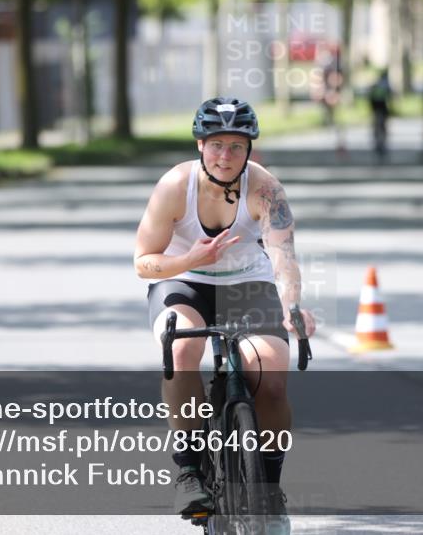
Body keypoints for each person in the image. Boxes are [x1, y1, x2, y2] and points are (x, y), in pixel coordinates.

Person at [134, 97, 316, 529]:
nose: (226, 156)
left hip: (247, 286)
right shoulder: (175, 186)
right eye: (217, 144)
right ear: (200, 145)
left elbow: (283, 258)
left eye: (236, 146)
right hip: (183, 281)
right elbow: (144, 261)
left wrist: (291, 306)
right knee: (181, 351)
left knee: (271, 375)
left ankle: (268, 489)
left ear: (250, 149)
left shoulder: (266, 189)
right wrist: (189, 258)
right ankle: (189, 468)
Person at [366, 69, 392, 161]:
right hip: (381, 109)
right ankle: (381, 142)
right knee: (382, 126)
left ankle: (378, 141)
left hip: (377, 109)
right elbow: (390, 97)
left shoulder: (375, 85)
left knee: (378, 126)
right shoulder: (385, 85)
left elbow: (370, 97)